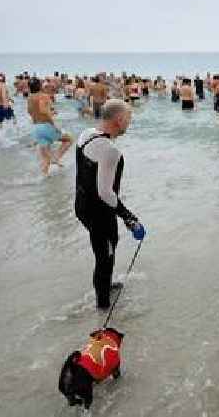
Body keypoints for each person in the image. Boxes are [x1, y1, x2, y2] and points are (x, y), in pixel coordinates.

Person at [75, 100, 145, 310]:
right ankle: (103, 307)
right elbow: (105, 192)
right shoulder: (110, 151)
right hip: (98, 211)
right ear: (119, 120)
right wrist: (129, 217)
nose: (129, 124)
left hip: (82, 206)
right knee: (104, 256)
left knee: (108, 244)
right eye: (129, 120)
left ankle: (106, 285)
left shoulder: (86, 134)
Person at [27, 78, 73, 175]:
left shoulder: (30, 97)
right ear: (39, 86)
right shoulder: (44, 96)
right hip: (46, 126)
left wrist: (47, 113)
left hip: (36, 127)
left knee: (45, 158)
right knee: (69, 139)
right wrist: (53, 124)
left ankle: (44, 178)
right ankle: (56, 158)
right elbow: (43, 110)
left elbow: (30, 111)